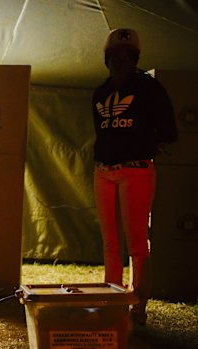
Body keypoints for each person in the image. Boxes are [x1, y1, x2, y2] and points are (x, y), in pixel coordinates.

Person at [92, 28, 177, 326]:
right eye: (114, 56)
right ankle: (112, 300)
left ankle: (138, 307)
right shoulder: (101, 92)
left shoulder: (149, 88)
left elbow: (169, 131)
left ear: (136, 58)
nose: (120, 60)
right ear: (107, 58)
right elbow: (101, 131)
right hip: (103, 171)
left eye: (126, 55)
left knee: (138, 243)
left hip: (137, 170)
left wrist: (148, 146)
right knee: (110, 242)